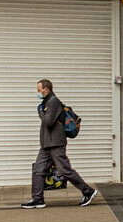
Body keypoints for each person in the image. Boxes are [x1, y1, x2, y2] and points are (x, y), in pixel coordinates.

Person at [21, 78, 99, 209]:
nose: (37, 92)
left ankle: (88, 191)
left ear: (46, 89)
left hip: (56, 144)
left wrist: (40, 111)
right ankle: (38, 199)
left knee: (65, 171)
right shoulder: (47, 102)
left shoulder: (54, 102)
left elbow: (48, 122)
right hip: (46, 145)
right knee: (38, 171)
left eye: (39, 90)